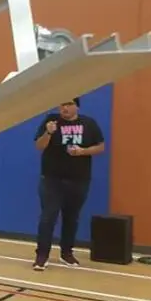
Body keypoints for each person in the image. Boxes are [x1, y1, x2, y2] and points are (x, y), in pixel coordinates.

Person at [32, 97, 105, 271]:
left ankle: (66, 253)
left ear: (77, 107)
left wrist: (83, 151)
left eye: (69, 104)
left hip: (79, 179)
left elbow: (101, 147)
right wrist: (48, 133)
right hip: (52, 179)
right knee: (48, 217)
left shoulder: (89, 123)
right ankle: (42, 255)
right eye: (62, 104)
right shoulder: (51, 120)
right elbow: (39, 146)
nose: (64, 108)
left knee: (71, 218)